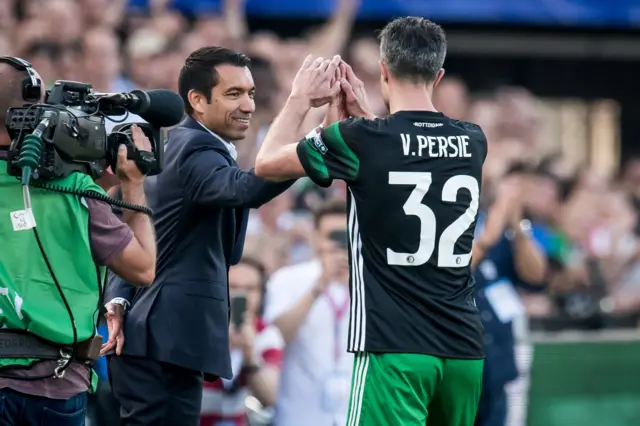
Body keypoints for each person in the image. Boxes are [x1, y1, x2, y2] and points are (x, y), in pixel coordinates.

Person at [254, 17, 487, 426]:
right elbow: (406, 154)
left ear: (383, 69)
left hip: (395, 347)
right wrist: (361, 120)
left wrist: (299, 100)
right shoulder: (472, 140)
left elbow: (266, 163)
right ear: (439, 74)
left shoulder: (362, 140)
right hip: (464, 350)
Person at [105, 46, 295, 426]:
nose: (247, 105)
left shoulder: (178, 145)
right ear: (197, 100)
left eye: (251, 93)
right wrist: (309, 147)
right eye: (233, 93)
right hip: (164, 342)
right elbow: (244, 189)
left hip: (160, 340)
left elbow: (129, 224)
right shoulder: (197, 147)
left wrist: (119, 299)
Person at [0, 57, 156, 424]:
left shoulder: (79, 191)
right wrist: (132, 183)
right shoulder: (75, 192)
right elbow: (143, 267)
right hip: (54, 385)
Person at [263, 199, 352, 426]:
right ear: (316, 238)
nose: (339, 245)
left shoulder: (368, 285)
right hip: (300, 415)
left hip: (352, 414)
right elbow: (277, 337)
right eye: (333, 236)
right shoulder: (288, 279)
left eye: (346, 235)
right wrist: (318, 287)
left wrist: (357, 287)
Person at [472, 169, 547, 426]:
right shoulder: (446, 223)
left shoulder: (506, 232)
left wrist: (517, 227)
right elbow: (450, 275)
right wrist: (490, 232)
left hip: (498, 361)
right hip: (459, 363)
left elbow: (536, 275)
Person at [201, 257, 283, 426]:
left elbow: (270, 397)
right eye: (234, 286)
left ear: (262, 294)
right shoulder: (199, 326)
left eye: (250, 288)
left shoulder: (267, 334)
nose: (242, 295)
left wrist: (250, 356)